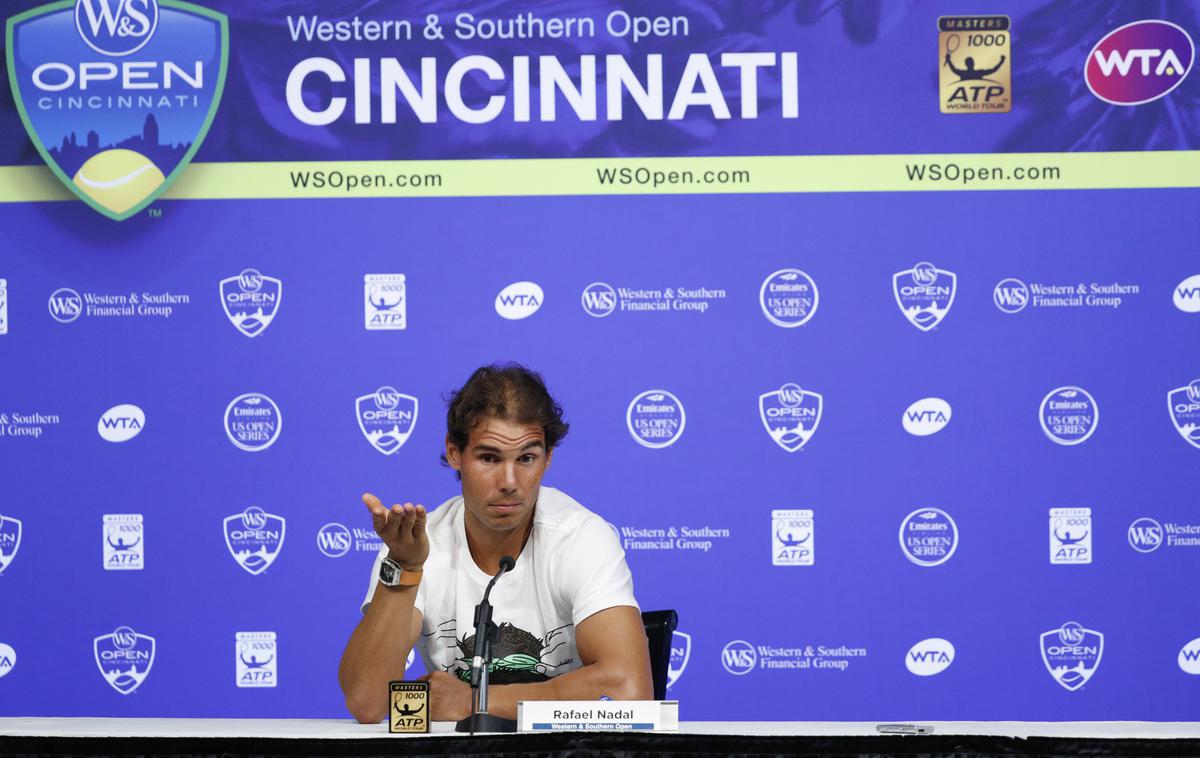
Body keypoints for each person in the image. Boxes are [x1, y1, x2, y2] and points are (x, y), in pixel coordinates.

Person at [338, 364, 653, 724]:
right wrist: (406, 569)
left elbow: (628, 691)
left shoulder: (581, 537)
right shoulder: (417, 546)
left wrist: (475, 702)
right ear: (455, 453)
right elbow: (367, 701)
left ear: (548, 458)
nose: (509, 481)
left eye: (527, 459)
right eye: (489, 458)